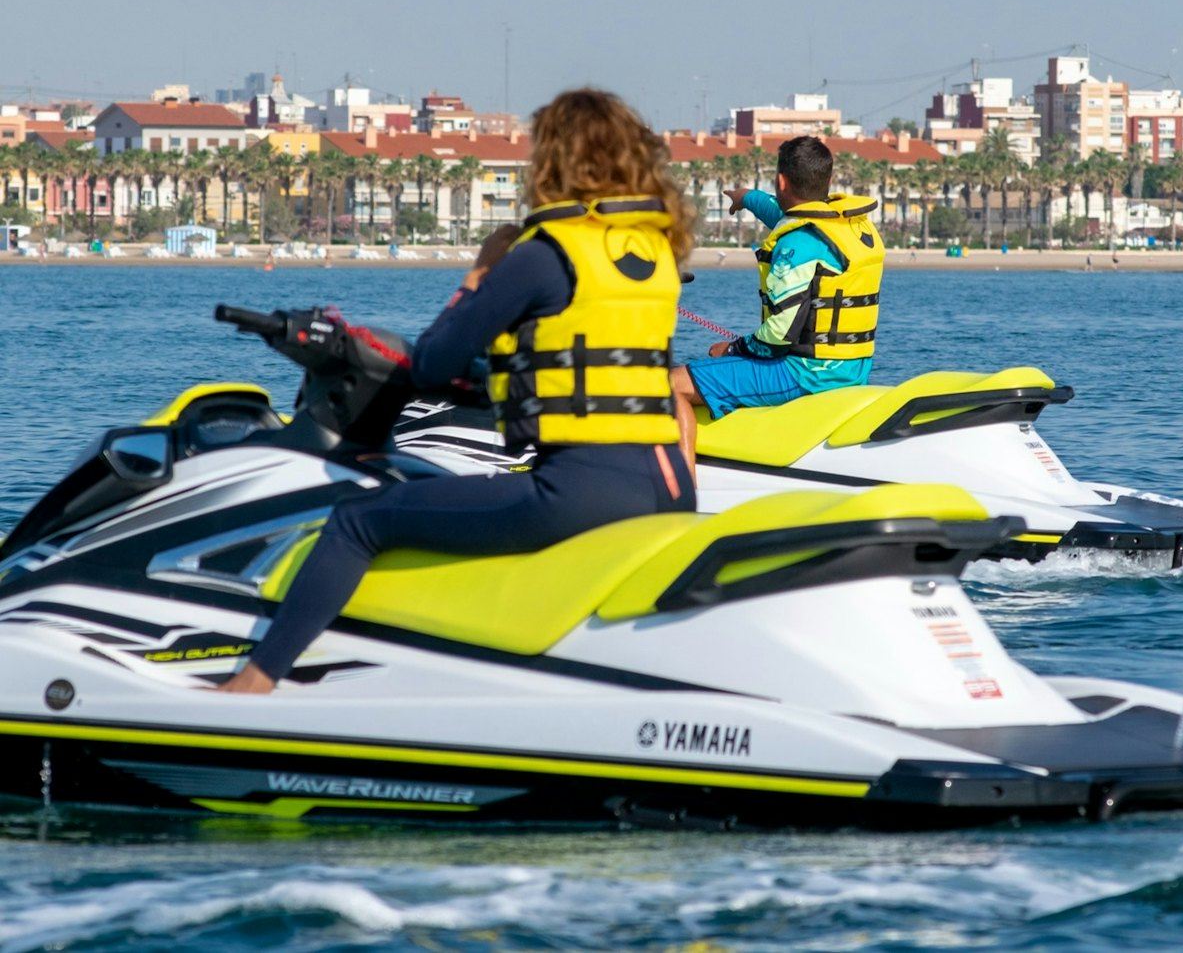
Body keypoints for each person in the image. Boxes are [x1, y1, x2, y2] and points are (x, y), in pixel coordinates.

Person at [220, 88, 696, 693]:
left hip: (579, 489)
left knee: (358, 521)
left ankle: (254, 683)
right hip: (666, 484)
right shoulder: (656, 252)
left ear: (556, 160)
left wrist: (479, 272)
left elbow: (433, 362)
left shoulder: (545, 254)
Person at [670, 136, 884, 477]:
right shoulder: (849, 226)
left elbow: (779, 334)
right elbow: (785, 215)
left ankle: (681, 489)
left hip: (804, 374)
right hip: (852, 368)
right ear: (826, 180)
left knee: (672, 384)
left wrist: (733, 348)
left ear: (781, 181)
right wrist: (748, 199)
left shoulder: (794, 246)